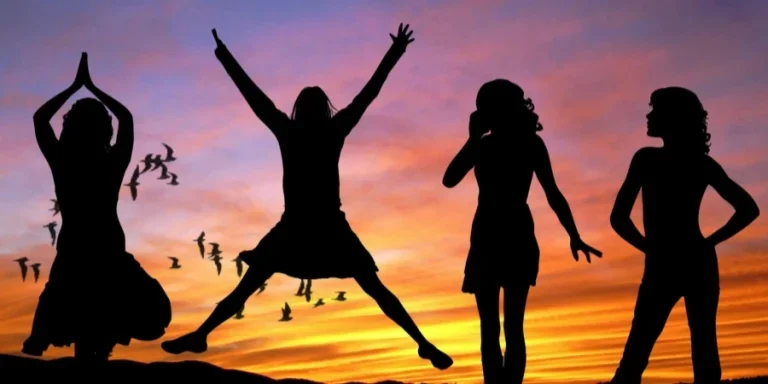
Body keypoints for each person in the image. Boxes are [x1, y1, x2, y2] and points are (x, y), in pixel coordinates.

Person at [160, 24, 453, 370]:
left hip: (311, 227)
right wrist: (395, 53)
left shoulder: (295, 131)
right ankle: (422, 342)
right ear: (322, 109)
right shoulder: (328, 130)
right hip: (312, 226)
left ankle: (202, 333)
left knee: (252, 285)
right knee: (374, 289)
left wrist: (224, 55)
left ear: (302, 109)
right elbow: (366, 94)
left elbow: (256, 97)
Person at [442, 79, 602, 383]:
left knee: (501, 326)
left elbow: (553, 193)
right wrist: (473, 139)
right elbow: (449, 179)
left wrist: (574, 234)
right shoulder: (494, 145)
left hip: (504, 235)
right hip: (498, 236)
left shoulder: (523, 145)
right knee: (503, 326)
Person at [22, 53, 171, 362]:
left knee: (86, 329)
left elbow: (39, 119)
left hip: (84, 251)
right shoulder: (109, 161)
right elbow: (126, 119)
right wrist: (92, 87)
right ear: (105, 129)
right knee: (97, 333)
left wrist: (76, 87)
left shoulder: (63, 160)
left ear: (71, 126)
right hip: (103, 250)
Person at [609, 87, 760, 384]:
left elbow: (619, 218)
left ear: (673, 118)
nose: (648, 116)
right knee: (695, 347)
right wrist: (708, 243)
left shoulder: (648, 160)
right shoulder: (697, 164)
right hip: (691, 260)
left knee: (642, 351)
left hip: (673, 262)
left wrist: (649, 247)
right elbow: (748, 209)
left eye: (655, 111)